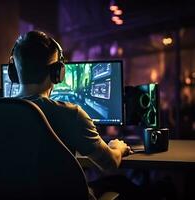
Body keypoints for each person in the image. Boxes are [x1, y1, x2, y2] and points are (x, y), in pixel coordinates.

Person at [9, 30, 139, 200]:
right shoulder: (71, 114)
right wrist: (118, 147)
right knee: (122, 183)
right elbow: (110, 164)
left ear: (13, 71)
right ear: (58, 72)